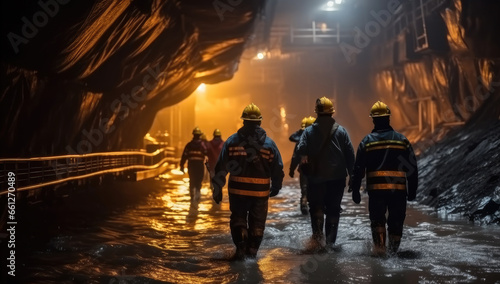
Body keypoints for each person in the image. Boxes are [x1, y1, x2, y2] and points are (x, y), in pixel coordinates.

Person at [212, 103, 284, 260]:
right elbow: (277, 168)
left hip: (237, 192)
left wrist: (217, 189)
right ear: (260, 122)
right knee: (258, 224)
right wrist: (276, 186)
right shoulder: (270, 145)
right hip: (260, 193)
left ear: (243, 121)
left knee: (238, 219)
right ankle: (251, 254)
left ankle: (241, 247)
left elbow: (221, 168)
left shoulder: (231, 142)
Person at [349, 101, 418, 256]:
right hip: (398, 192)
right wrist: (413, 190)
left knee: (377, 221)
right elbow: (412, 168)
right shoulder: (402, 141)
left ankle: (380, 252)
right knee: (396, 222)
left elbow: (358, 168)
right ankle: (393, 253)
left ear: (373, 119)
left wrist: (355, 190)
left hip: (376, 192)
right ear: (389, 118)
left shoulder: (366, 142)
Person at [296, 97, 355, 248]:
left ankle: (317, 242)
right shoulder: (342, 132)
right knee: (333, 209)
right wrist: (353, 178)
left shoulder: (308, 132)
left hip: (316, 179)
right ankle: (330, 245)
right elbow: (350, 156)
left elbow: (301, 150)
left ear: (316, 112)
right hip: (337, 180)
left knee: (316, 208)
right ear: (332, 112)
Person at [289, 116, 316, 215]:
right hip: (317, 170)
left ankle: (304, 203)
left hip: (304, 170)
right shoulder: (320, 141)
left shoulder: (300, 141)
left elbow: (295, 157)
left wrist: (291, 169)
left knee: (304, 190)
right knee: (316, 190)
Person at [180, 127, 208, 202]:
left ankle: (192, 195)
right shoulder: (202, 145)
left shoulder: (189, 145)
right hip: (199, 165)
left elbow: (184, 156)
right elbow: (207, 153)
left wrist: (181, 166)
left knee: (192, 180)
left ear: (193, 135)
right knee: (199, 180)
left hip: (191, 165)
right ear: (199, 135)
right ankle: (197, 193)